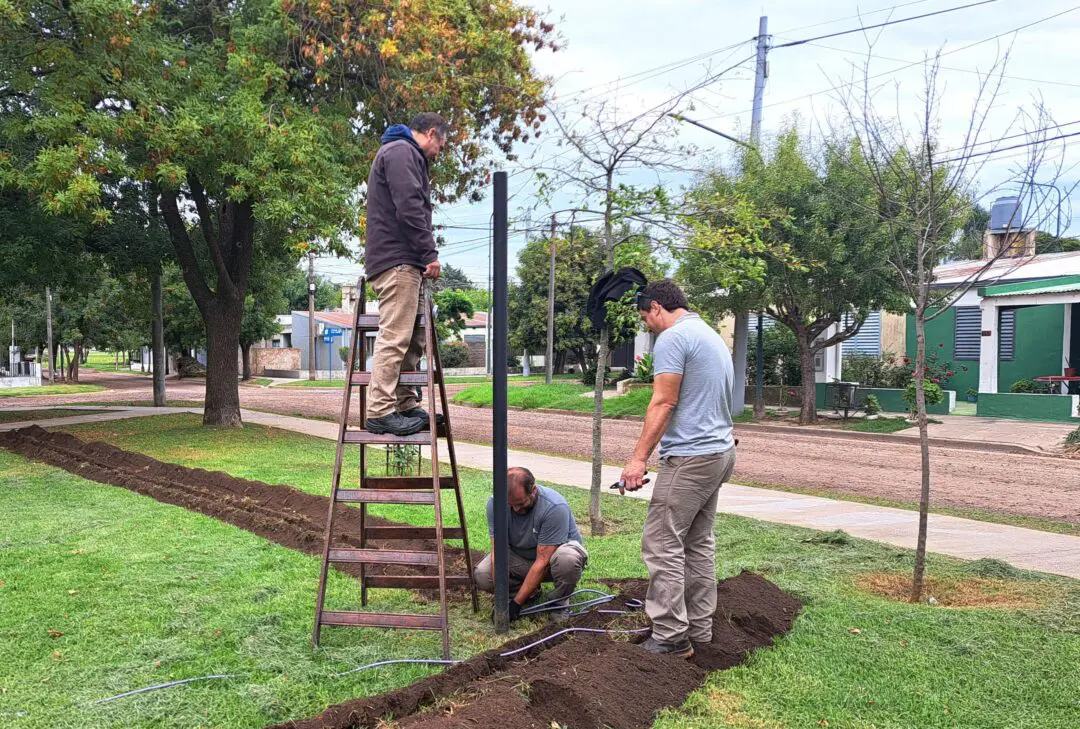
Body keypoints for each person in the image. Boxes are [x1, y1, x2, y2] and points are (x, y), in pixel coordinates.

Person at [619, 279, 736, 658]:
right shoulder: (709, 335)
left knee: (661, 542)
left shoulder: (672, 338)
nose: (646, 326)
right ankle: (699, 629)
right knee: (697, 543)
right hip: (719, 451)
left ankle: (670, 635)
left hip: (690, 457)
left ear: (656, 307)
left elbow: (663, 402)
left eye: (644, 318)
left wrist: (638, 459)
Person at [363, 112, 450, 436]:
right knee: (395, 337)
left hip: (405, 262)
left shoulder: (401, 153)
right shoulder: (401, 152)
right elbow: (409, 205)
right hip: (397, 261)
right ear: (430, 134)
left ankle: (405, 403)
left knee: (412, 339)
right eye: (440, 144)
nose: (439, 152)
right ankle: (380, 410)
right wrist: (430, 254)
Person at [474, 467, 588, 622]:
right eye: (511, 505)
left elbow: (542, 561)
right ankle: (527, 593)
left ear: (533, 490)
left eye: (521, 503)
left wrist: (516, 605)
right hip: (522, 558)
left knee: (567, 560)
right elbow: (498, 551)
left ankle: (559, 602)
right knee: (483, 575)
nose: (516, 509)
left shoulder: (553, 507)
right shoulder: (496, 504)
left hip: (553, 562)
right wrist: (502, 597)